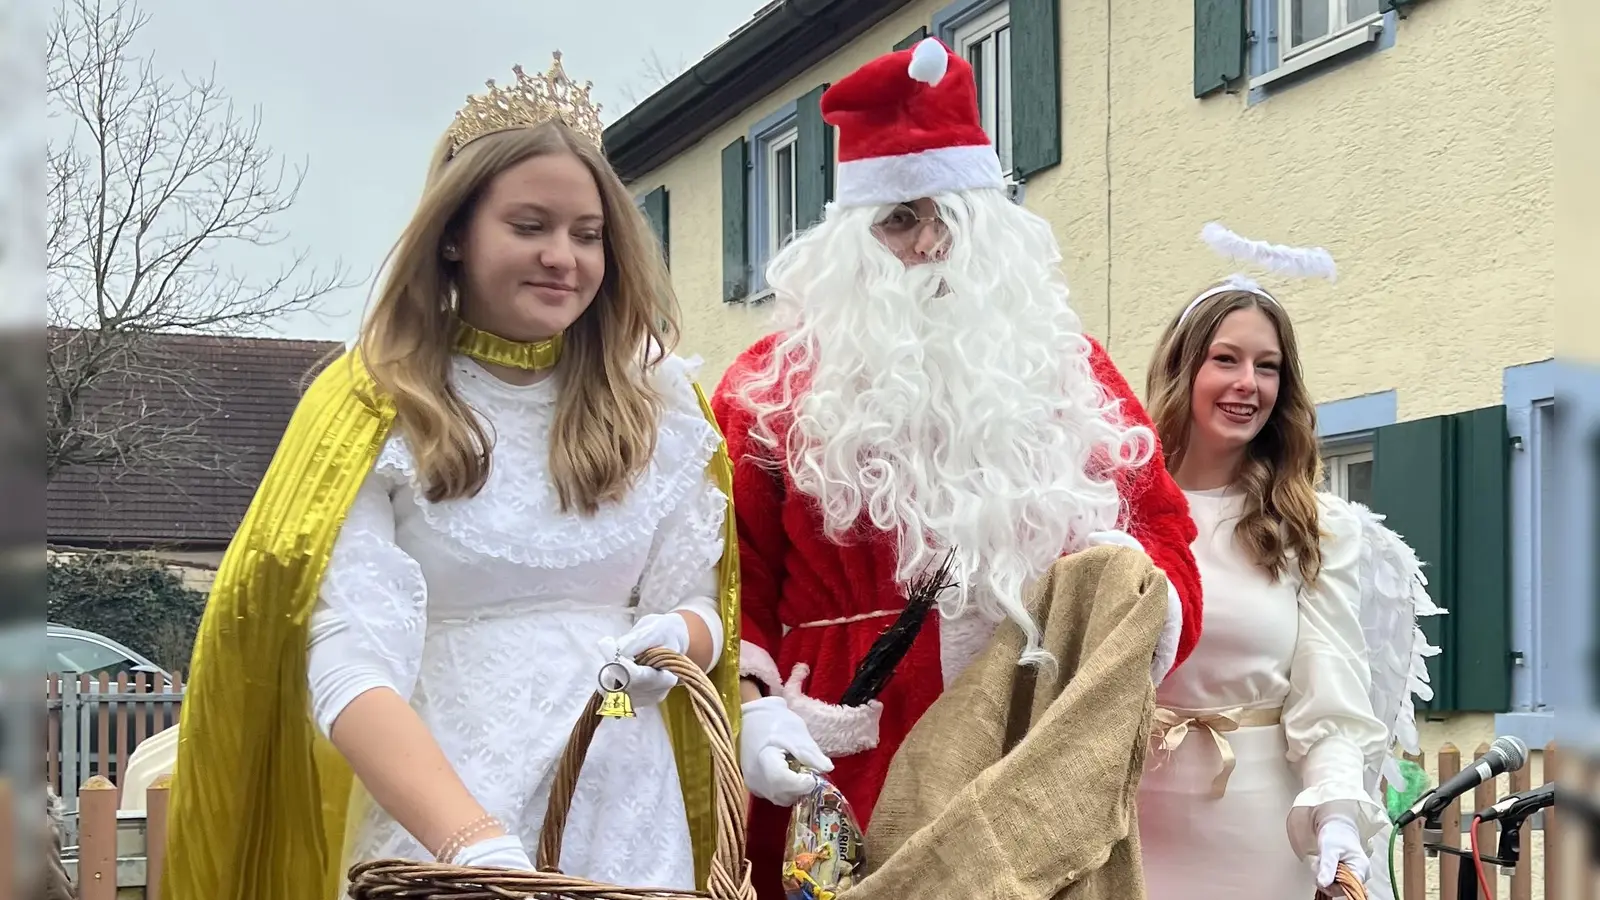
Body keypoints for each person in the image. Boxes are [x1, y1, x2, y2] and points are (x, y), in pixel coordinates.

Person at [163, 54, 744, 900]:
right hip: (446, 809)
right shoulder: (374, 404)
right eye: (530, 225)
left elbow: (700, 603)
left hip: (624, 789)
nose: (563, 258)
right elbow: (347, 663)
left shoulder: (660, 402)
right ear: (453, 234)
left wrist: (667, 646)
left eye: (588, 235)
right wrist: (475, 846)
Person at [711, 37, 1204, 899]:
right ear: (854, 240)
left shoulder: (1071, 371)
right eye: (899, 220)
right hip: (841, 752)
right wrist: (749, 710)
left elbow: (1166, 544)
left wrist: (1112, 618)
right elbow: (722, 571)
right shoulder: (770, 388)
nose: (930, 242)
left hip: (1026, 737)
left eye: (949, 214)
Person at [1135, 224, 1443, 899]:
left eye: (1267, 366)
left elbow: (1329, 703)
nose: (1248, 384)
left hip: (1262, 837)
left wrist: (1336, 815)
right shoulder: (1115, 514)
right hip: (1131, 836)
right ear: (1184, 367)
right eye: (1226, 359)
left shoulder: (1313, 527)